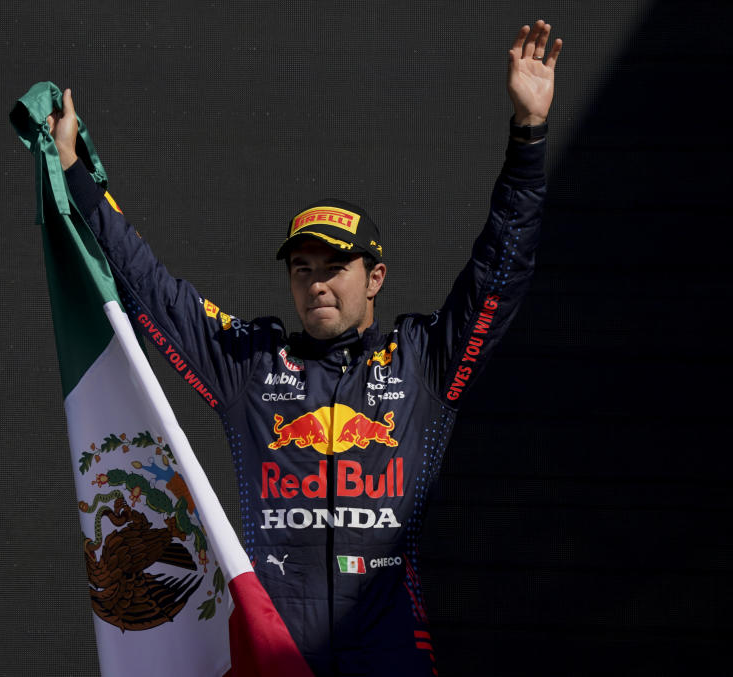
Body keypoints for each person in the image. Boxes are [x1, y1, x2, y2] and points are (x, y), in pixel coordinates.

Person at [45, 20, 562, 677]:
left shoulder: (424, 361)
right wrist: (74, 174)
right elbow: (154, 292)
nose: (316, 282)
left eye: (333, 266)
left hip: (389, 648)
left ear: (374, 276)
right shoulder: (251, 365)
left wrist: (529, 135)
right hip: (279, 649)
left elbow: (502, 268)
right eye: (302, 268)